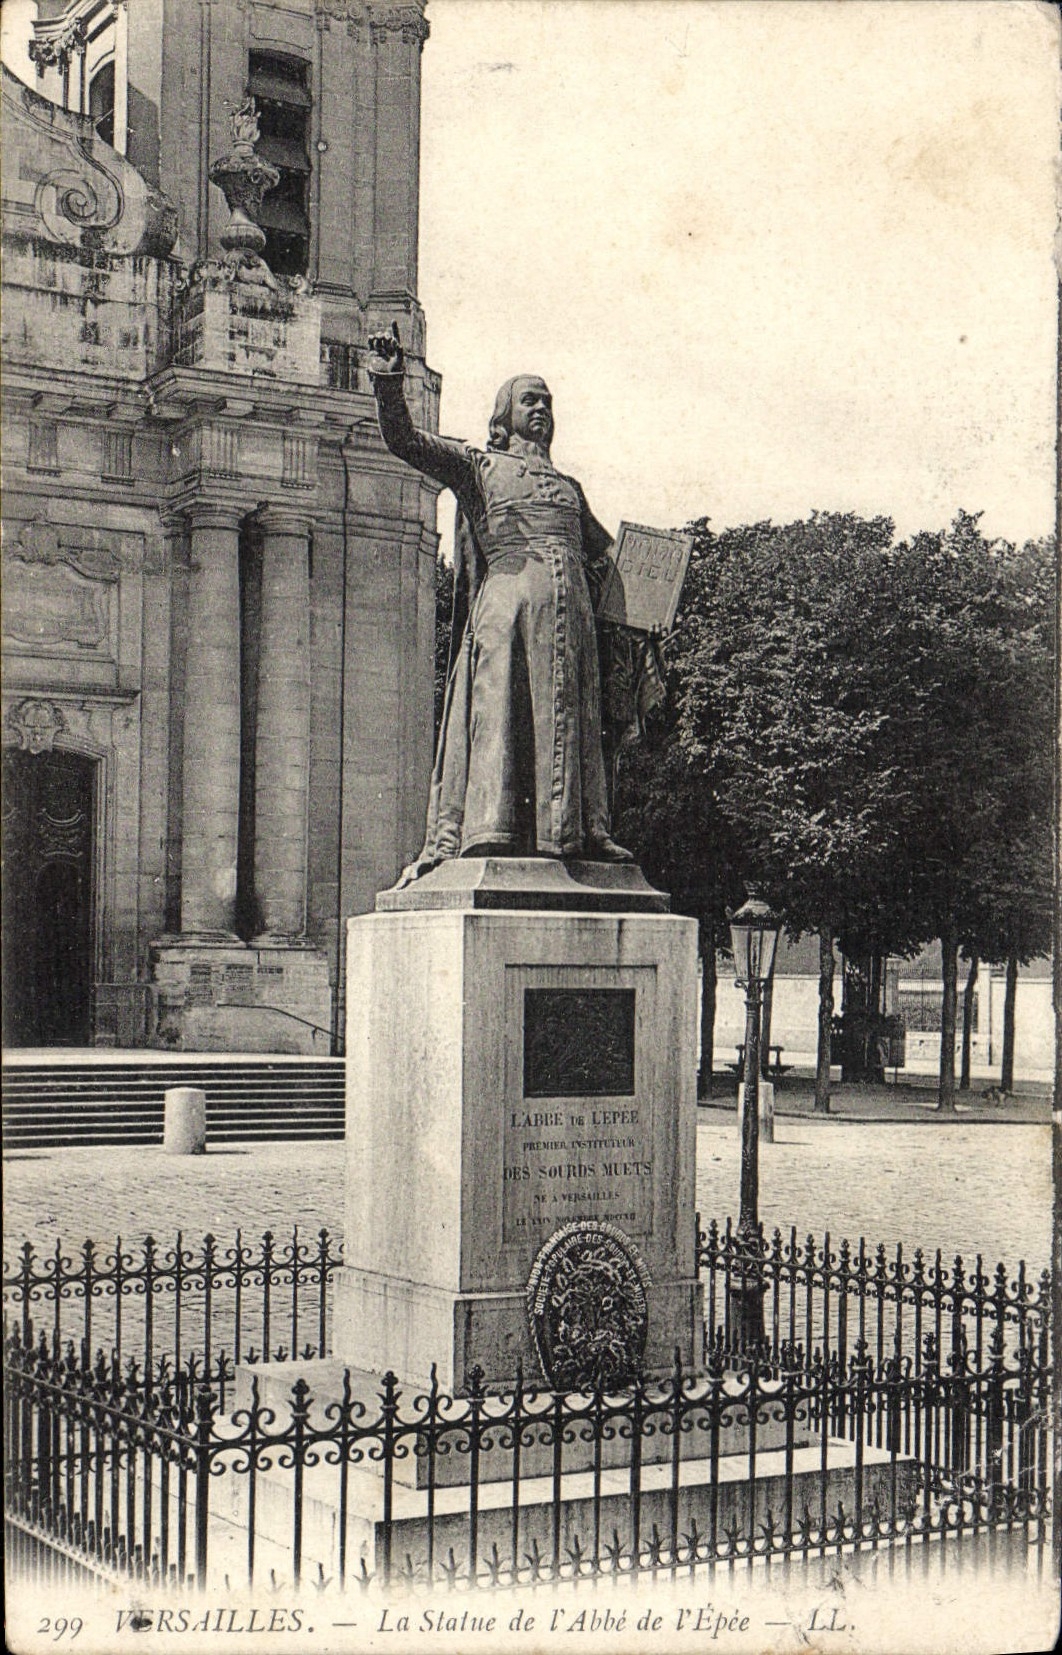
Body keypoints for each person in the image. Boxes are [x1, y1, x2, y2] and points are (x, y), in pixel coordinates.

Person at [368, 325, 641, 879]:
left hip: (575, 619)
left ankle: (587, 830)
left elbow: (606, 554)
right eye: (529, 400)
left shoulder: (568, 485)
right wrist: (387, 379)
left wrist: (651, 591)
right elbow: (406, 442)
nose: (541, 408)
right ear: (505, 415)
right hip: (509, 611)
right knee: (504, 713)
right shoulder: (479, 467)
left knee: (575, 717)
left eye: (547, 401)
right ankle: (492, 829)